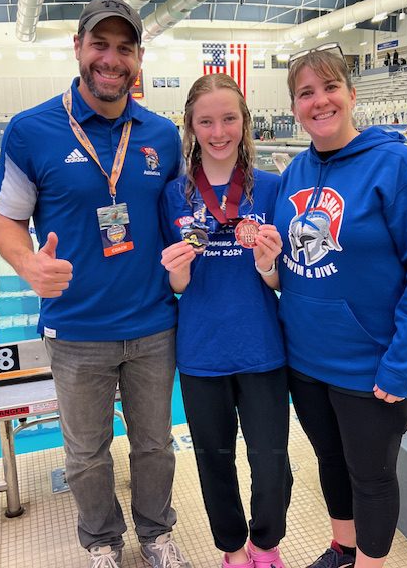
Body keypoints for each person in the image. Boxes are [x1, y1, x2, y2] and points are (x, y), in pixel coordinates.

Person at [0, 0, 191, 568]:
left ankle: (155, 533)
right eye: (99, 45)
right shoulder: (32, 130)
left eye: (123, 48)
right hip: (76, 329)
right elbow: (6, 218)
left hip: (154, 324)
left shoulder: (162, 135)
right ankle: (101, 541)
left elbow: (181, 215)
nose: (111, 59)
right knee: (84, 453)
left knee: (156, 445)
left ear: (138, 59)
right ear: (78, 49)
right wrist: (27, 264)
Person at [273, 45, 407, 568]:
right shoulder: (294, 172)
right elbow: (291, 265)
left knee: (371, 477)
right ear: (295, 106)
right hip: (305, 361)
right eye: (306, 92)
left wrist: (401, 365)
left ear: (351, 94)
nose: (319, 101)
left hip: (369, 364)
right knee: (331, 462)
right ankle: (342, 550)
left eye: (330, 88)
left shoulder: (398, 168)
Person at [160, 74, 292, 568]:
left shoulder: (273, 188)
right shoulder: (174, 194)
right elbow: (175, 287)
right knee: (214, 461)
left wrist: (266, 265)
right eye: (206, 121)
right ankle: (233, 550)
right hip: (201, 351)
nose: (219, 131)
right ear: (192, 127)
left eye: (229, 118)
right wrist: (179, 273)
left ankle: (266, 543)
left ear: (245, 122)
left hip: (262, 347)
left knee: (271, 460)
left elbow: (283, 281)